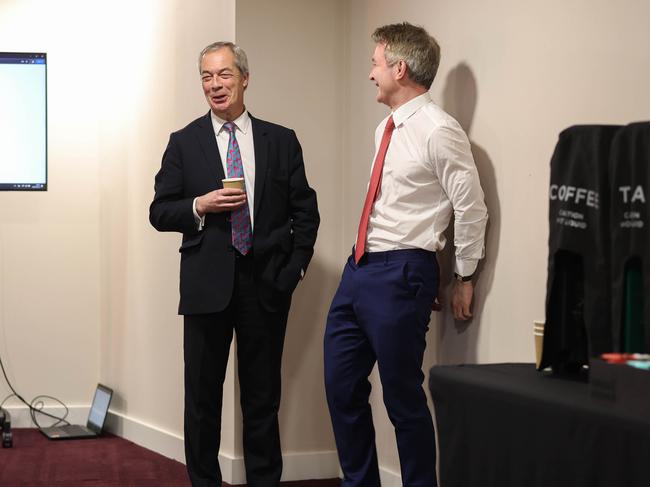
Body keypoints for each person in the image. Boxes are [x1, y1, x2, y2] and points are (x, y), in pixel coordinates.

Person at [324, 23, 488, 486]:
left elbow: (471, 206)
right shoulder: (385, 129)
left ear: (399, 68)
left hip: (402, 272)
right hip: (358, 267)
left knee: (401, 399)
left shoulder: (439, 131)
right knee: (340, 387)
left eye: (375, 63)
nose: (370, 74)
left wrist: (465, 274)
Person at [150, 41, 319, 487]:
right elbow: (159, 211)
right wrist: (199, 205)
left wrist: (293, 271)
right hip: (207, 288)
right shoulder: (183, 143)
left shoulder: (280, 140)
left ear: (244, 78)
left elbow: (306, 212)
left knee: (263, 401)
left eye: (223, 75)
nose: (214, 85)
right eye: (206, 77)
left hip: (266, 287)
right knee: (202, 402)